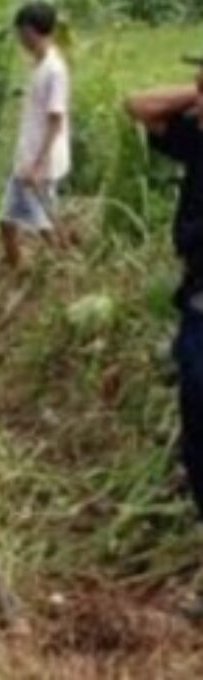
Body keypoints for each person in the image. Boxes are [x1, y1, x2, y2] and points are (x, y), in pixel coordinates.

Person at [126, 61, 203, 526]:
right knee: (196, 443)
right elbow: (138, 106)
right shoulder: (197, 137)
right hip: (197, 312)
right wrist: (193, 94)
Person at [0, 1, 71, 270]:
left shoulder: (54, 70)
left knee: (44, 223)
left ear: (30, 31)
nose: (19, 39)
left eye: (21, 32)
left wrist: (39, 164)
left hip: (41, 162)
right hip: (28, 159)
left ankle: (64, 270)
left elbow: (55, 119)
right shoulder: (39, 66)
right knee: (7, 220)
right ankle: (14, 267)